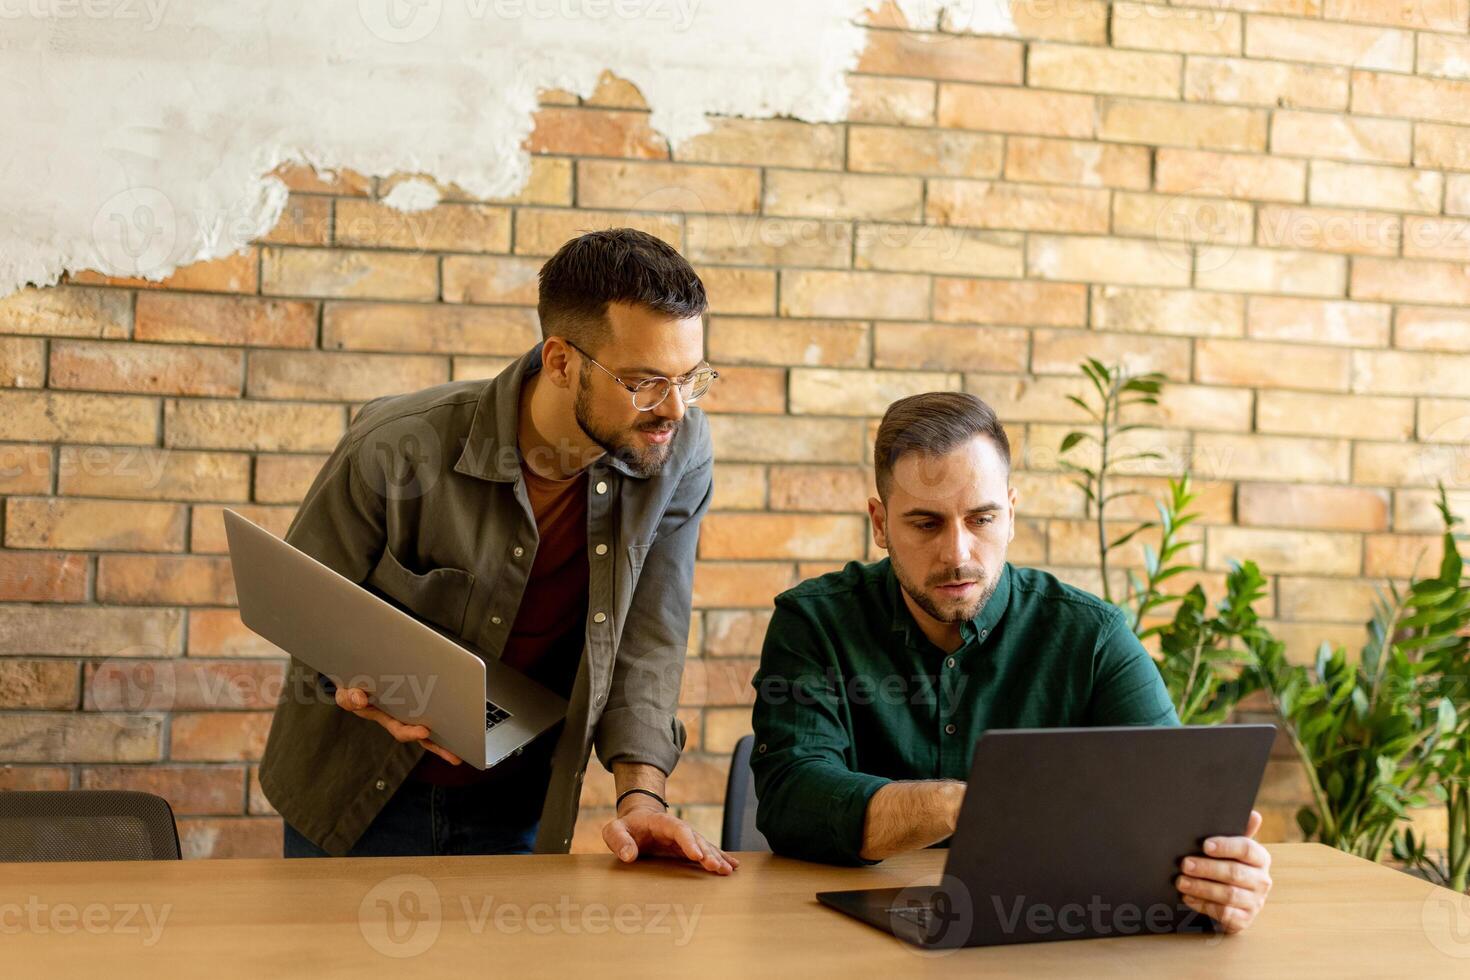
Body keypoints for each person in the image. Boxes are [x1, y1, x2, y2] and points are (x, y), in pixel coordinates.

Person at [259, 228, 736, 874]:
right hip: (353, 795)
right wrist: (353, 683)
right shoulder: (397, 446)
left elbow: (651, 637)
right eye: (645, 382)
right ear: (561, 361)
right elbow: (298, 599)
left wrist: (641, 795)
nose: (674, 409)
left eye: (690, 378)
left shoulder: (679, 450)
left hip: (518, 806)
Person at [750, 391, 1270, 931]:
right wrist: (962, 806)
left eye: (981, 519)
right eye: (926, 524)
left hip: (1048, 941)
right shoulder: (814, 623)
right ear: (880, 524)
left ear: (1011, 514)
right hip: (843, 942)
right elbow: (792, 798)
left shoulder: (1091, 637)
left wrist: (1221, 883)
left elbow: (1170, 810)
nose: (958, 554)